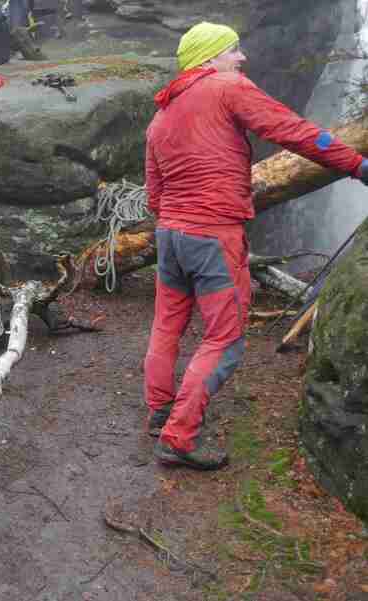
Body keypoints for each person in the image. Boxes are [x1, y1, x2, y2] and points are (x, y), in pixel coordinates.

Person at [144, 22, 368, 470]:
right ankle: (179, 437)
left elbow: (154, 192)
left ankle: (160, 409)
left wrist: (175, 221)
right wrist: (357, 165)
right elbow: (294, 131)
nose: (242, 58)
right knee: (225, 338)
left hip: (170, 234)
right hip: (213, 235)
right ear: (210, 59)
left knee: (168, 323)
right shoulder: (227, 87)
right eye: (234, 50)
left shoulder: (161, 116)